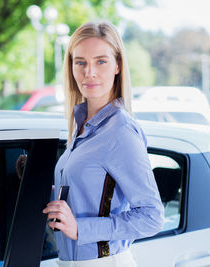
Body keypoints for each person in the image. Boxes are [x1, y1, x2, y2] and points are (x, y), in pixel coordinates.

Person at [42, 21, 164, 267]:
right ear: (71, 67)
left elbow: (152, 216)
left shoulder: (120, 131)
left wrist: (81, 229)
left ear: (118, 65)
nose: (90, 72)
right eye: (81, 62)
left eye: (101, 61)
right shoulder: (81, 124)